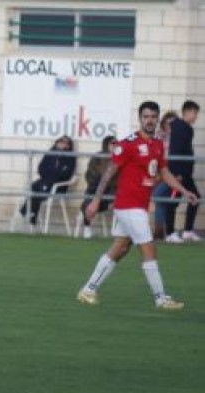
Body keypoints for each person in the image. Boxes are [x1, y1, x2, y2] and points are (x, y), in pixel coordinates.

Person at [77, 101, 198, 310]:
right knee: (149, 248)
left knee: (122, 247)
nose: (149, 120)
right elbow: (109, 172)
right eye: (146, 117)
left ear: (157, 119)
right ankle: (161, 298)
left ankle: (88, 290)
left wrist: (184, 190)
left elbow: (164, 172)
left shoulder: (158, 143)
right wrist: (96, 199)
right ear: (140, 119)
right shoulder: (128, 144)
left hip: (139, 205)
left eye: (153, 117)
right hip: (128, 205)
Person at [163, 100, 201, 243]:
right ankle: (170, 233)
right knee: (172, 202)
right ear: (188, 112)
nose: (196, 116)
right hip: (178, 173)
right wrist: (176, 173)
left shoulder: (186, 128)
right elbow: (175, 151)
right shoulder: (179, 127)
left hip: (185, 173)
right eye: (195, 113)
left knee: (195, 198)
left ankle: (187, 231)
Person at [19, 135, 76, 226]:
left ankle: (26, 211)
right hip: (45, 181)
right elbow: (41, 169)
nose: (61, 144)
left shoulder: (70, 157)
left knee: (40, 188)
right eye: (60, 142)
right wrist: (51, 173)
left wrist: (52, 174)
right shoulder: (50, 153)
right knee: (34, 186)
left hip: (58, 186)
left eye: (65, 143)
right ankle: (31, 215)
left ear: (69, 146)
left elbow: (66, 174)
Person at [78, 135, 118, 239]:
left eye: (116, 144)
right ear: (106, 145)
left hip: (112, 190)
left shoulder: (119, 158)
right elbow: (90, 174)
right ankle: (87, 226)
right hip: (95, 188)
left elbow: (119, 178)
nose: (115, 146)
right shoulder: (97, 158)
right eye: (112, 144)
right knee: (86, 204)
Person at [152, 110, 178, 240]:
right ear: (163, 124)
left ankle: (161, 231)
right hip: (158, 172)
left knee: (159, 197)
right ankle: (160, 232)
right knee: (160, 202)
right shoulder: (158, 137)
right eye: (168, 123)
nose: (170, 126)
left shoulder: (179, 138)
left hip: (171, 173)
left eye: (173, 124)